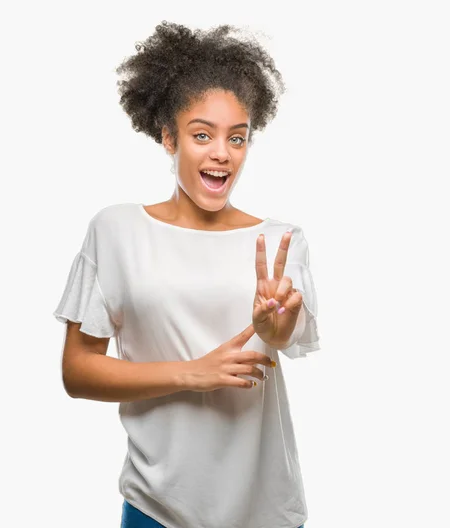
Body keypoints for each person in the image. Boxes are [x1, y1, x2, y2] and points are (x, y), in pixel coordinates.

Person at [53, 21, 320, 528]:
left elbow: (285, 333)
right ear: (168, 136)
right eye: (203, 134)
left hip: (263, 510)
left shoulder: (279, 242)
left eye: (236, 138)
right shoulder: (116, 230)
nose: (222, 152)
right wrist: (189, 373)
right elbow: (77, 369)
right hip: (158, 506)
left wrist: (272, 326)